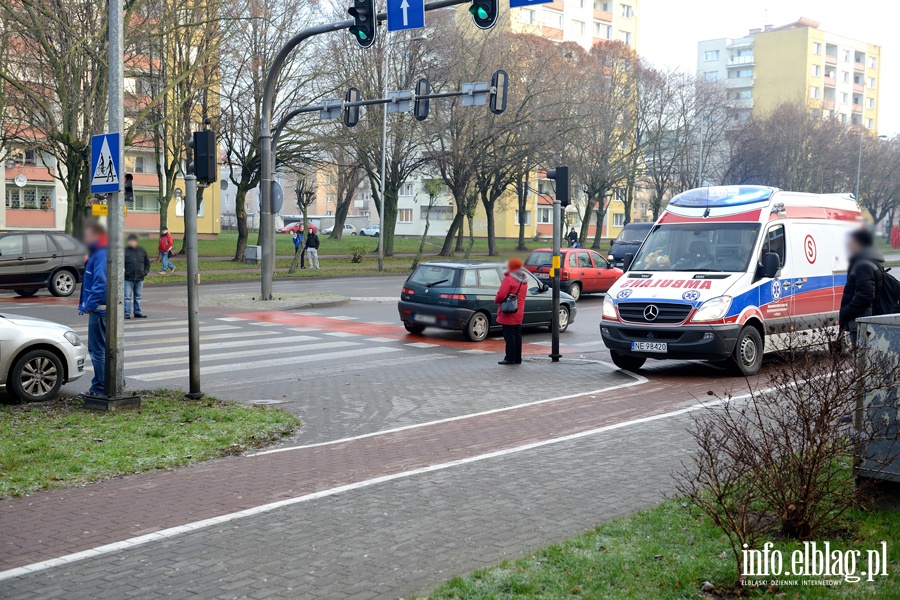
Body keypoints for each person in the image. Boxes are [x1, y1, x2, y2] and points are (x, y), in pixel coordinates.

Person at [78, 221, 109, 396]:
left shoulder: (100, 254)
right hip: (101, 309)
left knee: (98, 351)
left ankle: (101, 388)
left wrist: (90, 305)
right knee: (104, 350)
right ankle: (110, 383)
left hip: (99, 310)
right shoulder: (99, 252)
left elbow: (101, 283)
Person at [839, 229, 884, 347]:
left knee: (861, 358)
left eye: (851, 243)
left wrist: (846, 312)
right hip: (865, 319)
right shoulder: (871, 261)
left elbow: (866, 294)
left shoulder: (862, 265)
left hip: (860, 321)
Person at [494, 258, 528, 365]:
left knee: (509, 336)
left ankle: (509, 358)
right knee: (517, 335)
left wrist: (497, 301)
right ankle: (518, 358)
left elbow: (501, 294)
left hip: (509, 311)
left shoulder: (509, 279)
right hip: (519, 310)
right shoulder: (524, 280)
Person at [124, 234, 150, 319]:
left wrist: (145, 272)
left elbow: (147, 263)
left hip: (140, 277)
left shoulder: (142, 251)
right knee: (127, 297)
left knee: (138, 296)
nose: (132, 243)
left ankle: (137, 312)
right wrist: (124, 273)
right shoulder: (124, 251)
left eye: (134, 241)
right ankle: (126, 313)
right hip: (128, 278)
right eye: (131, 241)